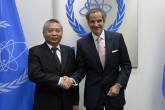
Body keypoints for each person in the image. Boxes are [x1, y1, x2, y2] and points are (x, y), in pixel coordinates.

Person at [64, 8, 132, 110]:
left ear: (104, 21)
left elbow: (126, 65)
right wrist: (72, 79)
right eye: (92, 21)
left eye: (99, 21)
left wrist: (118, 84)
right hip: (93, 95)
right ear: (88, 23)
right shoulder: (82, 43)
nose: (96, 24)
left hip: (114, 92)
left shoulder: (117, 38)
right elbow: (81, 69)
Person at [28, 19, 79, 110]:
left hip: (67, 103)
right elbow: (34, 74)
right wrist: (59, 80)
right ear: (44, 34)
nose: (54, 34)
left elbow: (73, 75)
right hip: (45, 104)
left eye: (58, 31)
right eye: (50, 31)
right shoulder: (35, 51)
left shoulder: (69, 51)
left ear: (61, 34)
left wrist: (75, 102)